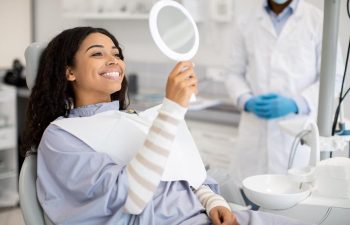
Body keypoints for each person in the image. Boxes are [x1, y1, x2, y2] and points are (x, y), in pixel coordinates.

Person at [21, 26, 313, 225]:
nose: (114, 60)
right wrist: (171, 110)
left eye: (116, 53)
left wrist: (212, 201)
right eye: (98, 53)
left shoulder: (133, 118)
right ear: (69, 71)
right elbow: (131, 198)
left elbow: (186, 175)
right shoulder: (61, 137)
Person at [225, 0, 343, 205]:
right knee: (250, 208)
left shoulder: (317, 20)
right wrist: (246, 99)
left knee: (294, 206)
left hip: (297, 137)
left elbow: (334, 77)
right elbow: (232, 73)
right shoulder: (245, 19)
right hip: (253, 140)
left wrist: (297, 103)